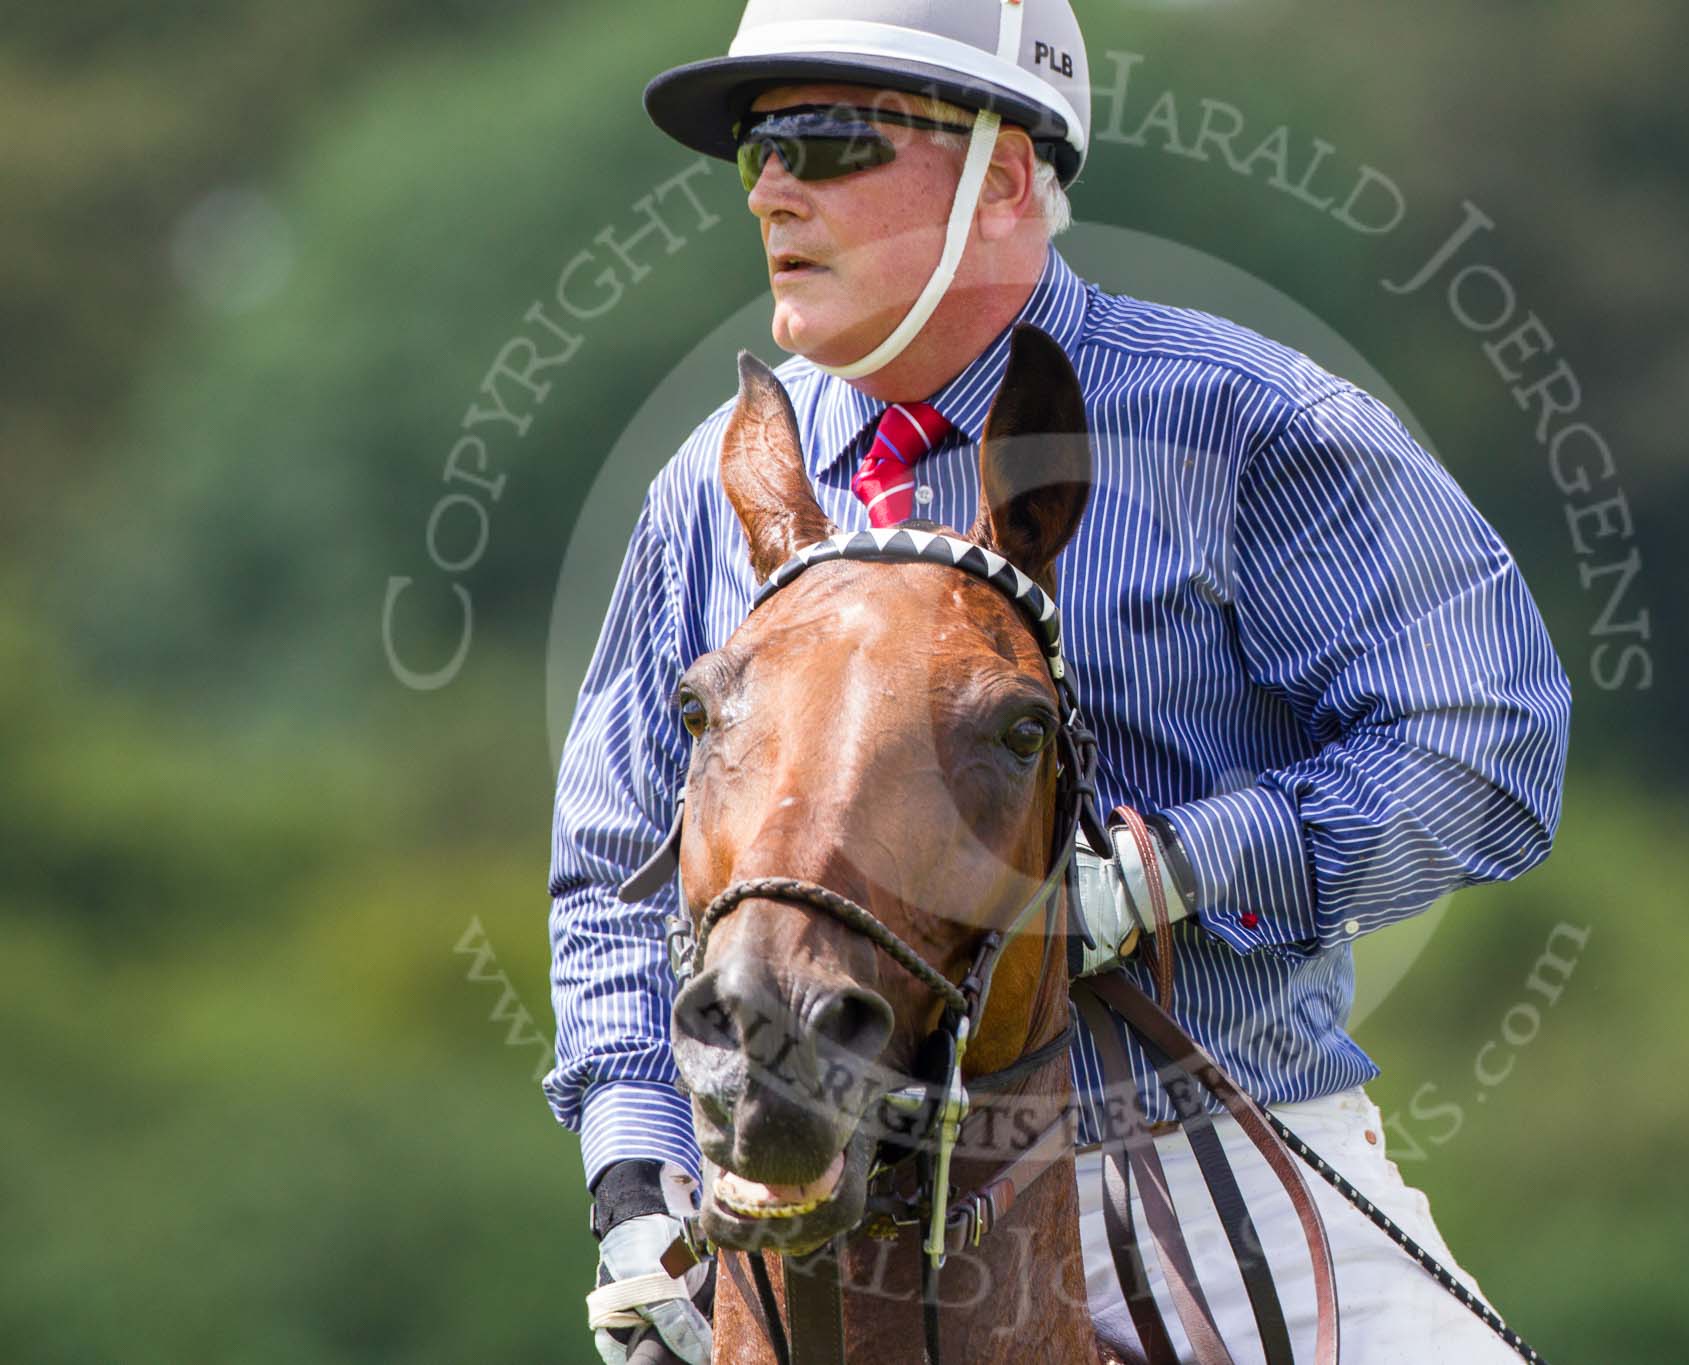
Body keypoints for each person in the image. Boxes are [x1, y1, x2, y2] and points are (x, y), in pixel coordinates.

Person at [545, 2, 1571, 1360]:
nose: (775, 189)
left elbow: (1486, 744)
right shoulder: (706, 487)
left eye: (829, 139)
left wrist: (1171, 873)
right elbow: (616, 857)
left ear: (1008, 177)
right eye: (756, 151)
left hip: (1215, 1174)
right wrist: (634, 1181)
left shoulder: (1249, 423)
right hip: (805, 1226)